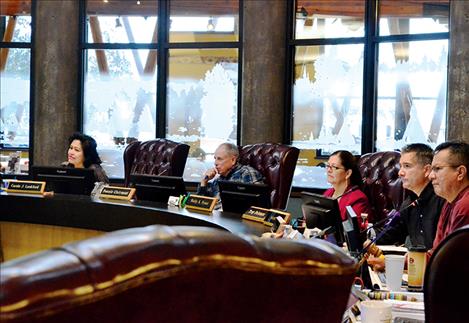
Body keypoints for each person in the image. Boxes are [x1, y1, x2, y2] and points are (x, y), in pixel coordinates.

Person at [367, 143, 445, 271]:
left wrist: (394, 264)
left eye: (407, 166)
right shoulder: (409, 202)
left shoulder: (442, 201)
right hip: (413, 271)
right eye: (401, 166)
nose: (400, 173)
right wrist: (367, 239)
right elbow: (391, 234)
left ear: (426, 170)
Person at [428, 141, 469, 256]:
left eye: (437, 168)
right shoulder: (449, 202)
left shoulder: (465, 205)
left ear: (460, 173)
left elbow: (450, 260)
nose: (431, 176)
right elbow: (436, 253)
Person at [322, 150, 372, 231]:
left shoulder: (358, 199)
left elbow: (354, 231)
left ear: (348, 173)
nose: (328, 170)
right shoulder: (328, 193)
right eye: (328, 166)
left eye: (334, 167)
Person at [196, 143, 264, 198]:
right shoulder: (218, 180)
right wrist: (204, 182)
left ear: (233, 160)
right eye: (215, 158)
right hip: (216, 214)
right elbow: (201, 204)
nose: (215, 163)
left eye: (219, 159)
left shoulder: (247, 173)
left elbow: (260, 203)